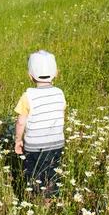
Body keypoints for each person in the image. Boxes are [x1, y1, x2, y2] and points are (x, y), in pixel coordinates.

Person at [14, 50, 66, 197]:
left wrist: (18, 140)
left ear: (29, 75)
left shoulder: (28, 96)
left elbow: (20, 122)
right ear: (56, 73)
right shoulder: (60, 93)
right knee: (52, 173)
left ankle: (35, 201)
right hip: (56, 143)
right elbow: (61, 114)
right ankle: (51, 200)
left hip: (34, 146)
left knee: (33, 175)